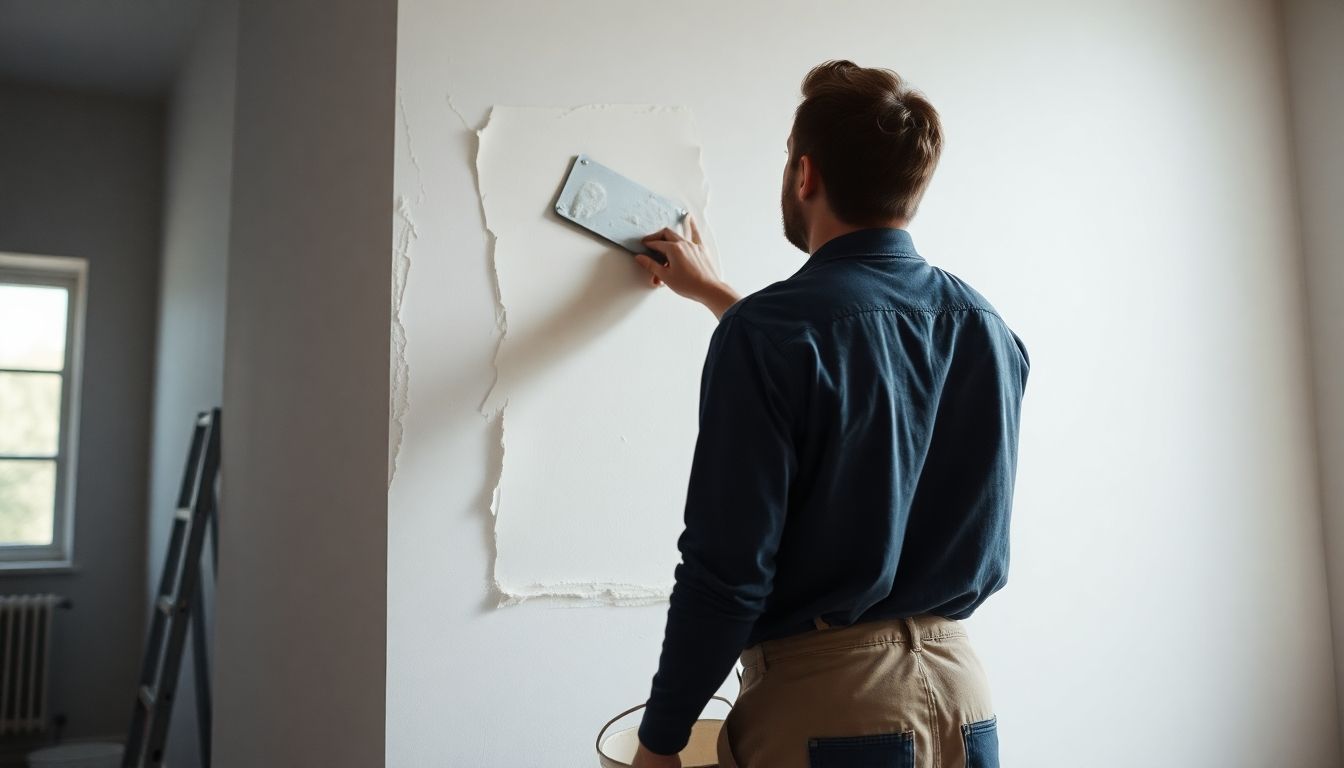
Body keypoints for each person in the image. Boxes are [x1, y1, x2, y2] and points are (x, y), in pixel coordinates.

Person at [626, 60, 1030, 768]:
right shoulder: (989, 329)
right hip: (966, 704)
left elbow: (726, 575)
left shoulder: (769, 337)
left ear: (804, 175)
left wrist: (660, 741)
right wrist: (723, 298)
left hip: (832, 711)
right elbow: (864, 393)